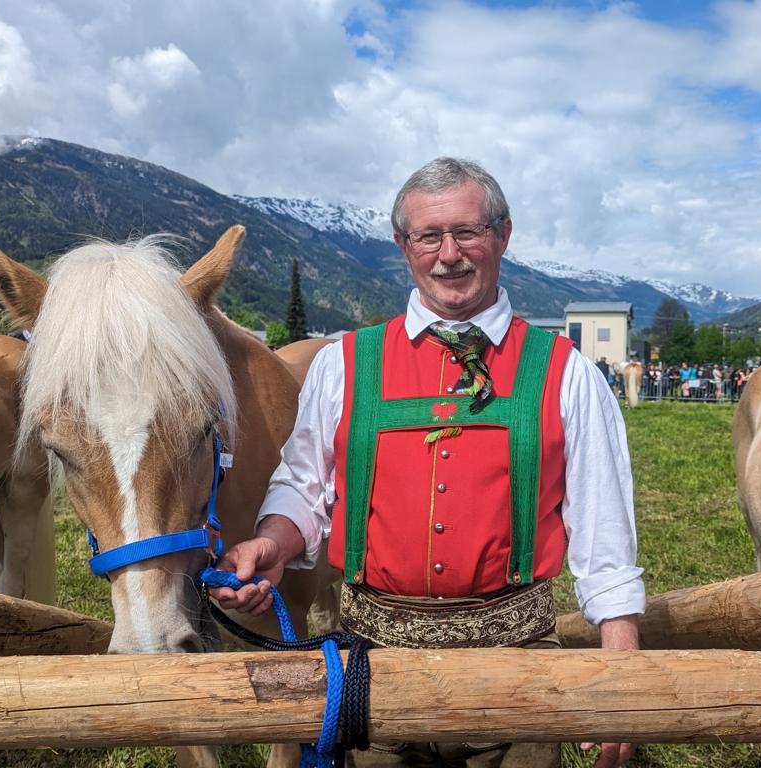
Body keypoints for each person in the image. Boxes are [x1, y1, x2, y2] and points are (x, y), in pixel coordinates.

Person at [210, 157, 644, 768]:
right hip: (372, 673)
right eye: (428, 236)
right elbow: (306, 488)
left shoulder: (565, 370)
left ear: (502, 235)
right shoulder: (344, 364)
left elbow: (604, 529)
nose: (449, 255)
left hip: (518, 674)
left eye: (467, 232)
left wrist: (619, 671)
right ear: (403, 246)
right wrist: (273, 543)